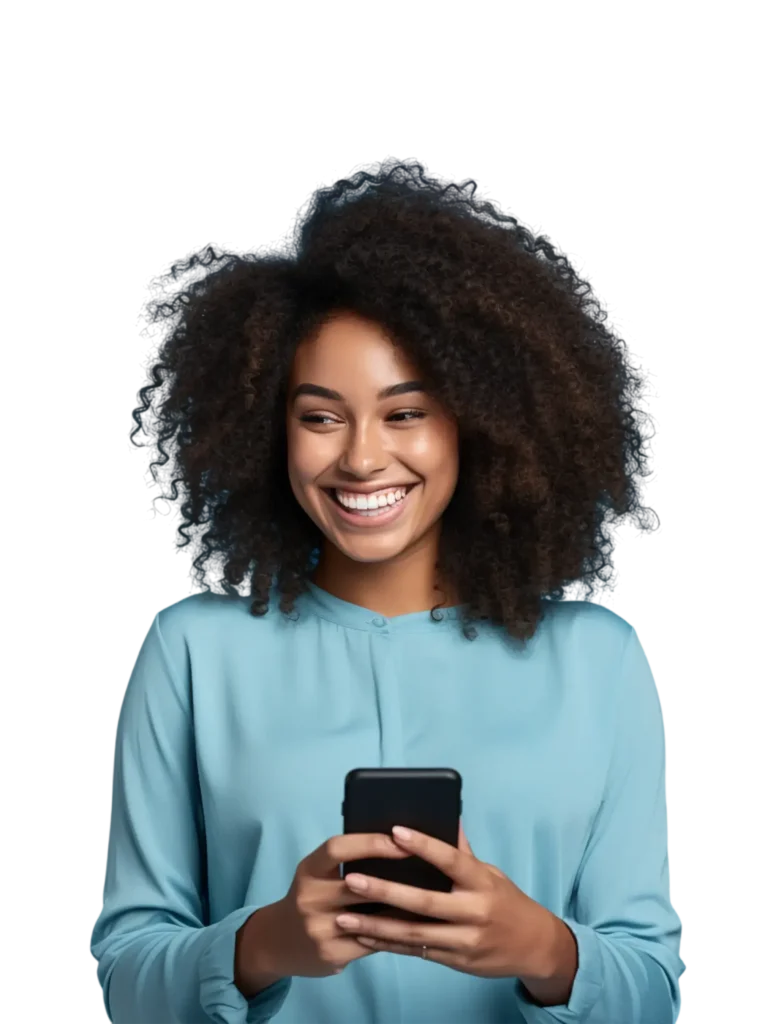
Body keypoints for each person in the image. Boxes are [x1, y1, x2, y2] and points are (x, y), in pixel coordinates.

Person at [91, 157, 685, 1022]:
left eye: (405, 412)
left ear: (480, 424)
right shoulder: (192, 648)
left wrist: (544, 953)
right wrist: (264, 946)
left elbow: (656, 992)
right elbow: (127, 978)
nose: (362, 458)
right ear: (269, 426)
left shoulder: (600, 656)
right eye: (320, 416)